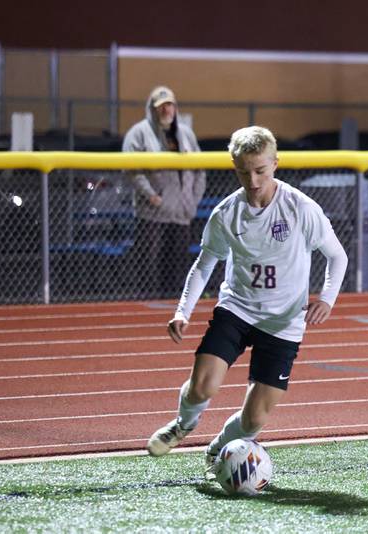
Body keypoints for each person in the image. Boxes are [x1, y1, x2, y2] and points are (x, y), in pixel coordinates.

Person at [145, 126, 348, 471]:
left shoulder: (300, 208)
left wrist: (327, 299)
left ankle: (217, 449)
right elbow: (204, 264)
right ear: (234, 167)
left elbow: (337, 256)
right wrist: (182, 311)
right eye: (243, 172)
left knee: (255, 419)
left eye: (260, 171)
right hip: (237, 309)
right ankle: (183, 425)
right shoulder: (226, 213)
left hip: (283, 322)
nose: (252, 181)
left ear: (275, 164)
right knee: (202, 386)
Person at [123, 86, 206, 298]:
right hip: (152, 213)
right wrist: (151, 195)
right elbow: (131, 169)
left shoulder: (186, 134)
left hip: (181, 212)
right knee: (149, 264)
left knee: (178, 264)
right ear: (152, 109)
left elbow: (200, 169)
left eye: (169, 105)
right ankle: (146, 302)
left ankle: (174, 301)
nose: (166, 110)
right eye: (160, 106)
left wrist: (193, 199)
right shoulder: (139, 133)